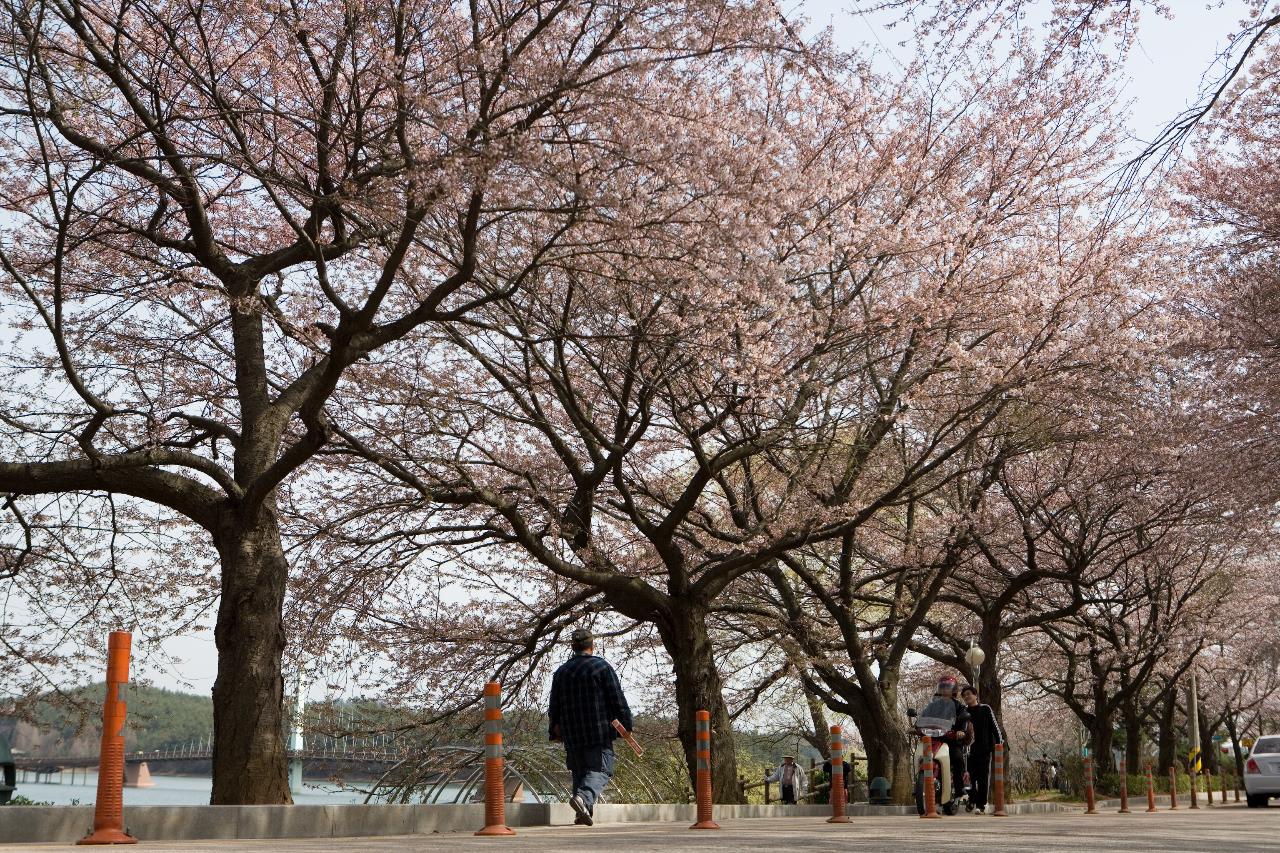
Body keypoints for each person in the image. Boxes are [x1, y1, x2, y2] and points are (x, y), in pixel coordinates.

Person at [548, 628, 633, 826]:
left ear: (572, 647)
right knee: (601, 770)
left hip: (572, 733)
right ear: (592, 645)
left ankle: (582, 814)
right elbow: (617, 699)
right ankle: (583, 800)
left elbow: (554, 705)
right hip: (598, 732)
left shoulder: (561, 672)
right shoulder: (601, 668)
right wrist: (626, 725)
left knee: (580, 772)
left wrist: (555, 730)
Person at [960, 685, 1003, 814]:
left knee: (983, 779)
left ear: (975, 695)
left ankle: (981, 805)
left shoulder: (985, 709)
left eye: (969, 694)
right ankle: (972, 799)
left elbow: (994, 726)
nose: (966, 697)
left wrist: (999, 742)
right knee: (968, 778)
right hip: (968, 751)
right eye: (964, 695)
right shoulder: (964, 712)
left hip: (984, 749)